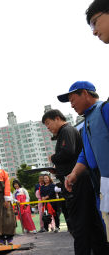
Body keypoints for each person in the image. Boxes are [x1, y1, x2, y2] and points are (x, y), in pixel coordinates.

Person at [58, 81, 109, 250]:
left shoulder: (104, 109)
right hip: (100, 184)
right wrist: (73, 174)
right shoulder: (86, 121)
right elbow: (86, 154)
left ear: (85, 93)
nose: (71, 105)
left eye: (73, 99)